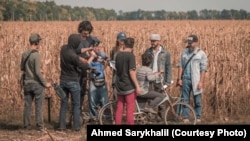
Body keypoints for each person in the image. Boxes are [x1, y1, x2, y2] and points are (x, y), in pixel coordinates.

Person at [58, 33, 95, 131]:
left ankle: (62, 126)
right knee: (76, 104)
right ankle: (76, 127)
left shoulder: (63, 49)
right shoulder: (73, 57)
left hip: (63, 81)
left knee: (64, 104)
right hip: (73, 81)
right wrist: (91, 57)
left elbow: (77, 50)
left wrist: (88, 49)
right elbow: (85, 66)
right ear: (75, 43)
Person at [20, 33, 51, 130]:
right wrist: (45, 83)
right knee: (39, 106)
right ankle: (40, 126)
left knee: (27, 105)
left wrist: (32, 70)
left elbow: (22, 68)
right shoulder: (36, 54)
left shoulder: (25, 54)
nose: (40, 43)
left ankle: (26, 125)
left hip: (27, 83)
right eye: (39, 41)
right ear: (37, 42)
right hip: (36, 84)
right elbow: (37, 72)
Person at [176, 34, 208, 123]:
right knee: (185, 99)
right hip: (186, 79)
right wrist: (179, 79)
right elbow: (180, 66)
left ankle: (198, 117)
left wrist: (201, 82)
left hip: (196, 80)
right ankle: (185, 117)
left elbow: (203, 69)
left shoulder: (201, 54)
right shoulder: (184, 52)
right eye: (188, 42)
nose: (189, 44)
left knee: (197, 100)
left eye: (191, 43)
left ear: (196, 43)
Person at [144, 34, 172, 121]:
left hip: (161, 80)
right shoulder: (147, 52)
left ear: (159, 41)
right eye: (151, 41)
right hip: (150, 80)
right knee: (150, 99)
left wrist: (168, 82)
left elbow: (168, 67)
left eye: (154, 41)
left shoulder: (165, 53)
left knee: (162, 100)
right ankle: (150, 118)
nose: (152, 43)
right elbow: (144, 66)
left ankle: (161, 118)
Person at [114, 37, 142, 125]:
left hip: (119, 86)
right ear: (132, 46)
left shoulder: (118, 55)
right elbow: (131, 72)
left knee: (119, 108)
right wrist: (137, 86)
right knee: (130, 109)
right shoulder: (131, 56)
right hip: (129, 86)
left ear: (124, 44)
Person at [88, 46, 109, 121]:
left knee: (105, 101)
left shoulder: (101, 55)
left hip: (102, 80)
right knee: (92, 101)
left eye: (99, 47)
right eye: (96, 47)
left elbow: (107, 59)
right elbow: (87, 65)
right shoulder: (90, 57)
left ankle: (106, 118)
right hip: (93, 81)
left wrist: (104, 62)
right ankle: (94, 118)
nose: (98, 49)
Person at [109, 32, 127, 100]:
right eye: (121, 40)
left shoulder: (127, 50)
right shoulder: (114, 50)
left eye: (124, 40)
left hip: (124, 77)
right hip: (116, 76)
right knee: (116, 97)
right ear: (117, 40)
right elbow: (111, 60)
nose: (122, 42)